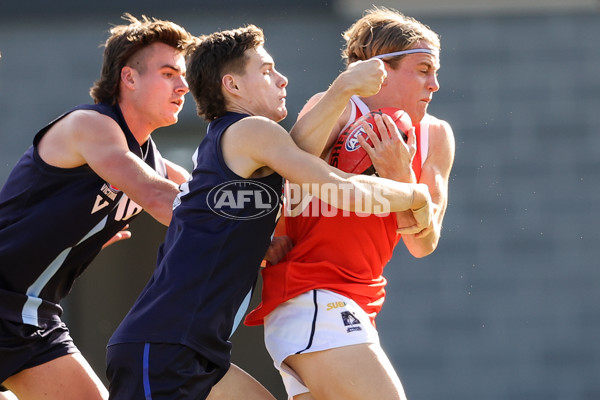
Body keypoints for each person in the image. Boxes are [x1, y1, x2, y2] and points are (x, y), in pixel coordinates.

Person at [105, 24, 434, 400]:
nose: (282, 79)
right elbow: (338, 186)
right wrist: (413, 194)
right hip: (163, 344)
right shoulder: (251, 131)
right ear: (233, 86)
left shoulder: (236, 140)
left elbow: (286, 164)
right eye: (266, 70)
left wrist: (257, 242)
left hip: (193, 350)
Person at [245, 6, 456, 400]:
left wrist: (400, 178)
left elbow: (423, 243)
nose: (435, 84)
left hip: (359, 303)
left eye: (436, 72)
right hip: (310, 294)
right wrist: (344, 87)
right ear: (380, 70)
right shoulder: (340, 106)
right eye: (424, 69)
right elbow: (291, 162)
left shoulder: (436, 136)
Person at [0, 14, 197, 400]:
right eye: (169, 73)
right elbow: (161, 198)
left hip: (31, 313)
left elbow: (208, 201)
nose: (184, 86)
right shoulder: (91, 125)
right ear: (129, 78)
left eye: (183, 75)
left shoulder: (157, 163)